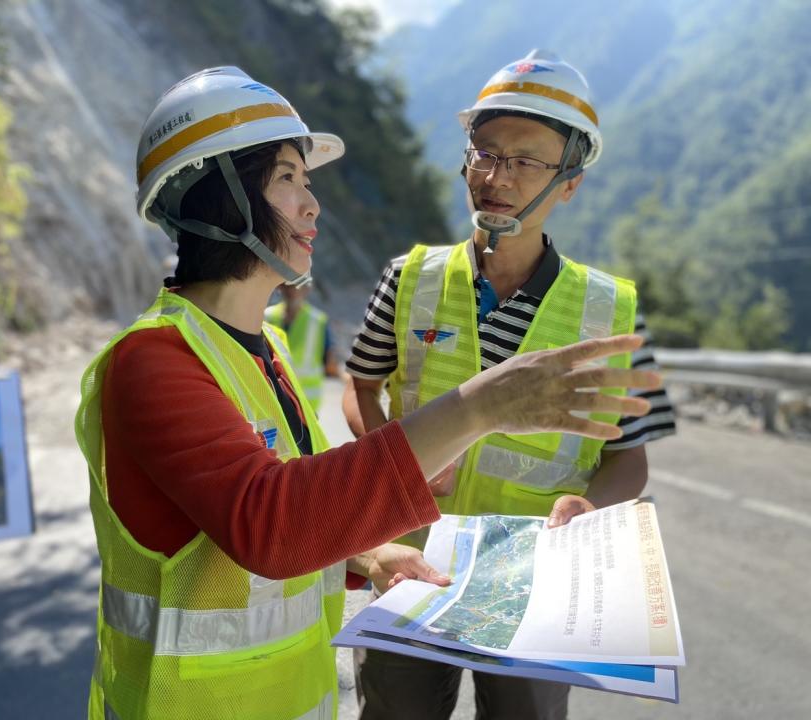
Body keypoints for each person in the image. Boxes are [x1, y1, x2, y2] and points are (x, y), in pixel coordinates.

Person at [73, 66, 662, 720]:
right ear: (219, 198)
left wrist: (374, 554)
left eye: (308, 180)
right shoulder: (153, 361)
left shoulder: (259, 353)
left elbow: (303, 498)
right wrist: (481, 406)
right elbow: (273, 524)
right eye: (288, 179)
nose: (311, 204)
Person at [343, 50, 677, 720]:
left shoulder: (610, 311)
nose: (497, 177)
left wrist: (588, 507)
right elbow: (360, 387)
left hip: (537, 585)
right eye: (485, 152)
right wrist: (394, 460)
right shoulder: (409, 278)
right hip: (413, 563)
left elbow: (627, 456)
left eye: (527, 161)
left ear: (571, 182)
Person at [265, 282, 339, 412]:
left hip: (307, 402)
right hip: (273, 398)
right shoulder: (267, 317)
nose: (292, 290)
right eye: (289, 285)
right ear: (280, 287)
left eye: (297, 285)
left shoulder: (318, 321)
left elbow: (330, 364)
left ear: (308, 288)